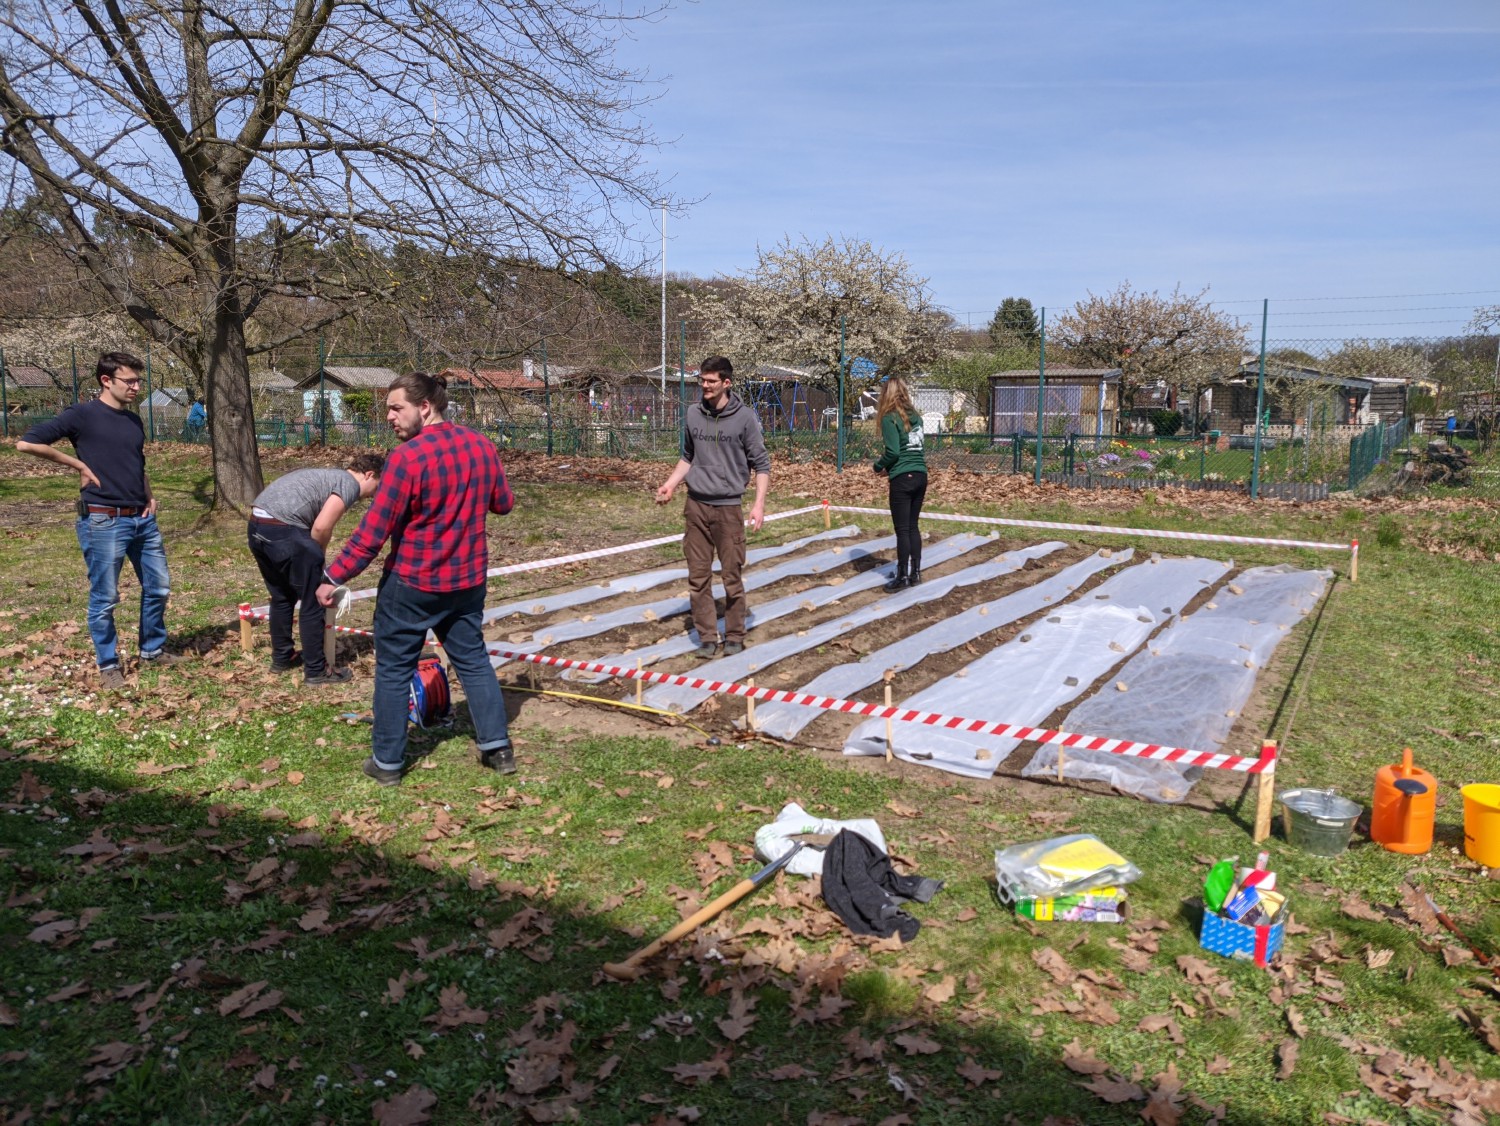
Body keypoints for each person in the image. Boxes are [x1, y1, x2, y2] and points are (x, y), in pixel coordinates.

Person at [315, 372, 515, 787]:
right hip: (466, 581)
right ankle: (497, 748)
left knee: (393, 670)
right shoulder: (482, 445)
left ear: (425, 407)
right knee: (474, 662)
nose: (388, 416)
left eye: (395, 407)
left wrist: (332, 575)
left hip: (412, 585)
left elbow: (373, 532)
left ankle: (387, 763)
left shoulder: (407, 458)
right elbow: (503, 503)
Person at [16, 351, 178, 689]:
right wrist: (79, 465)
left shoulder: (134, 420)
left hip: (142, 519)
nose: (136, 387)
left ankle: (151, 650)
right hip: (103, 520)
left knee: (159, 587)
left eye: (138, 381)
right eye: (129, 381)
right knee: (105, 597)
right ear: (106, 380)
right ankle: (108, 665)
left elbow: (137, 460)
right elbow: (26, 443)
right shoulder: (82, 415)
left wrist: (148, 493)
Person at [654, 356, 770, 658]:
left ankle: (734, 635)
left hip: (729, 509)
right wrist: (671, 485)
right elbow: (687, 457)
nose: (704, 386)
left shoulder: (744, 418)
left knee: (731, 577)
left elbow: (762, 464)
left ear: (726, 383)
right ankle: (707, 637)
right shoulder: (693, 414)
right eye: (701, 380)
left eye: (710, 381)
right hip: (696, 507)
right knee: (698, 577)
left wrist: (758, 504)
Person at [248, 453, 385, 685]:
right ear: (369, 474)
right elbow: (321, 528)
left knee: (282, 596)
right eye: (376, 487)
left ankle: (282, 657)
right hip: (284, 529)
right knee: (314, 600)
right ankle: (316, 671)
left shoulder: (328, 475)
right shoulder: (348, 484)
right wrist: (318, 561)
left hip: (257, 526)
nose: (374, 494)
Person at [871, 375, 927, 592]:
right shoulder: (917, 417)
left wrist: (878, 467)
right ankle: (916, 573)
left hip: (902, 478)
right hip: (921, 474)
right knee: (913, 527)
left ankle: (902, 576)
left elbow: (893, 452)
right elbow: (917, 448)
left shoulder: (889, 418)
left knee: (902, 529)